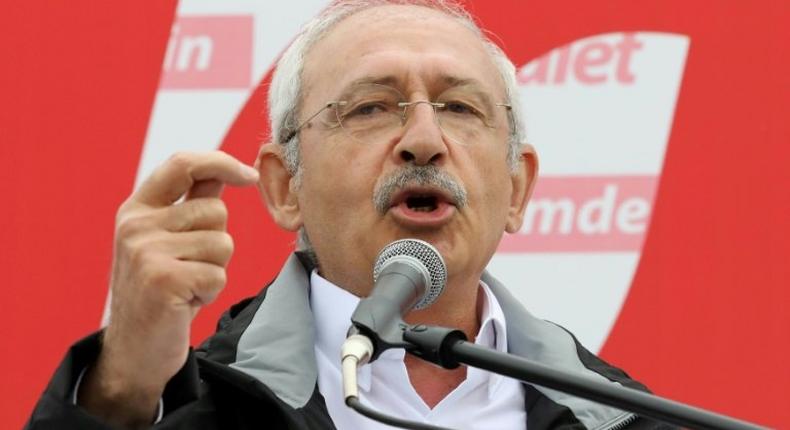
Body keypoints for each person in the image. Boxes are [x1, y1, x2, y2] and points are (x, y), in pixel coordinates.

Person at [27, 1, 667, 429]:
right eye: (370, 108)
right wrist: (119, 390)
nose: (423, 139)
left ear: (518, 188)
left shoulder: (629, 417)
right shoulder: (190, 409)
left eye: (460, 109)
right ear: (285, 188)